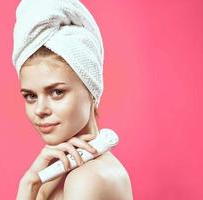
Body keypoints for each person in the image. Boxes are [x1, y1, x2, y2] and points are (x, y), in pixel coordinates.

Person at [12, 0, 133, 199]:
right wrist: (29, 184)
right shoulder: (55, 173)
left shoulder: (86, 179)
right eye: (31, 96)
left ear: (92, 90)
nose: (40, 110)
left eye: (57, 92)